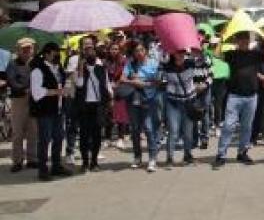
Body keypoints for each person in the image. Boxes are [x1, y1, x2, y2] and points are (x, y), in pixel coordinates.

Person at [214, 29, 264, 167]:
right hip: (234, 95)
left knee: (247, 127)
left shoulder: (255, 54)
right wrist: (223, 38)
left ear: (249, 41)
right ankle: (221, 154)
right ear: (236, 41)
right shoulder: (232, 54)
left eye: (246, 39)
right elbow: (216, 54)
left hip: (251, 96)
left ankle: (242, 152)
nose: (244, 42)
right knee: (228, 126)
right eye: (241, 39)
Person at [29, 42, 72, 181]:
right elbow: (36, 93)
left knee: (59, 138)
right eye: (55, 52)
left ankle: (56, 165)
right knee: (44, 140)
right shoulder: (38, 69)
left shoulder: (58, 68)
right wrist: (56, 91)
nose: (58, 55)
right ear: (47, 54)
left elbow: (62, 84)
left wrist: (66, 89)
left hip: (58, 109)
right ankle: (43, 169)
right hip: (45, 111)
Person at [71, 36, 112, 172]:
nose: (89, 51)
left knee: (96, 134)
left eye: (91, 49)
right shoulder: (79, 65)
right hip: (84, 105)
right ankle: (84, 162)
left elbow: (106, 84)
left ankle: (94, 161)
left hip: (98, 104)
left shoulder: (101, 66)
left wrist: (110, 99)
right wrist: (81, 68)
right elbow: (79, 84)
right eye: (86, 49)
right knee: (84, 134)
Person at [121, 41, 161, 172]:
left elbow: (158, 81)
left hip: (149, 100)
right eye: (136, 51)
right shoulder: (130, 64)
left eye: (141, 50)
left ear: (146, 51)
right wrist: (134, 81)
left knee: (149, 129)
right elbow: (122, 79)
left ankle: (152, 158)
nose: (139, 53)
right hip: (133, 100)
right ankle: (137, 157)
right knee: (135, 130)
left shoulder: (153, 63)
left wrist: (144, 83)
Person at [160, 49, 196, 167]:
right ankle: (169, 158)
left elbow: (203, 60)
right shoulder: (166, 66)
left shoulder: (191, 63)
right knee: (173, 131)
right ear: (173, 53)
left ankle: (187, 155)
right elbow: (160, 78)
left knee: (188, 132)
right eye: (177, 52)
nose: (180, 54)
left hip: (188, 101)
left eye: (182, 52)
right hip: (173, 102)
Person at [6, 37, 38, 172]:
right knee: (18, 131)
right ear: (18, 50)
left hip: (34, 100)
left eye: (29, 48)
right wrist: (24, 89)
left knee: (33, 131)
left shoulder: (36, 63)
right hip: (19, 99)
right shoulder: (13, 64)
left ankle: (32, 159)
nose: (26, 51)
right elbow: (12, 81)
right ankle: (17, 160)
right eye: (24, 49)